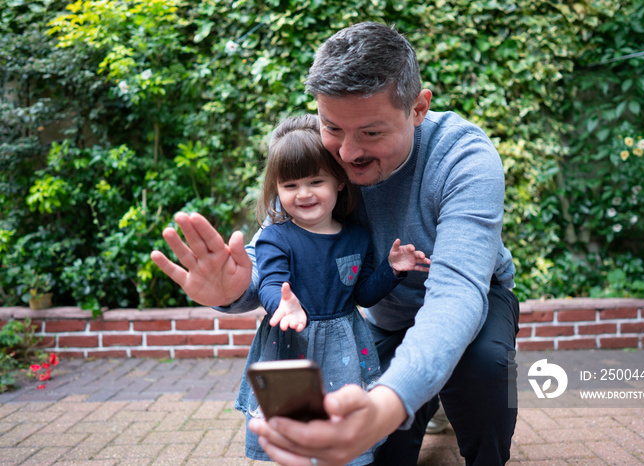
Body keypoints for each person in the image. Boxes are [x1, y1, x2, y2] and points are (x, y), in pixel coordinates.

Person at [151, 21, 520, 466]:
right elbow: (277, 251)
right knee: (371, 451)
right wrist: (232, 291)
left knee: (482, 369)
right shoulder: (317, 152)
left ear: (418, 109)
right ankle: (426, 393)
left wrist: (389, 402)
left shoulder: (465, 158)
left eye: (371, 133)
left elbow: (457, 293)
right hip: (385, 316)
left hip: (476, 303)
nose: (346, 153)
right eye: (333, 128)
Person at [234, 114, 430, 464]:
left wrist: (392, 269)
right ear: (276, 189)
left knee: (345, 429)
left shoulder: (357, 236)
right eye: (290, 186)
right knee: (291, 434)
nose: (304, 194)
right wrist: (283, 305)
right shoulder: (275, 238)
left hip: (346, 346)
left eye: (315, 181)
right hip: (290, 344)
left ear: (339, 181)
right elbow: (270, 282)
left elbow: (363, 294)